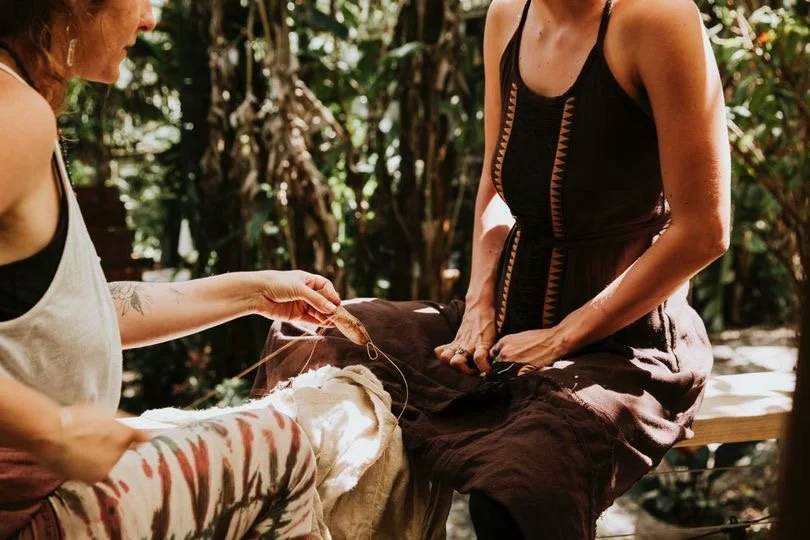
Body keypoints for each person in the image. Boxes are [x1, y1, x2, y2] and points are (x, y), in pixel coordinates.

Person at [253, 0, 731, 537]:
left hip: (626, 348)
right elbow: (497, 183)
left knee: (519, 487)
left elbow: (704, 230)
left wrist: (559, 338)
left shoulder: (658, 18)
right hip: (502, 324)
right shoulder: (508, 16)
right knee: (310, 338)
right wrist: (479, 306)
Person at [0, 1, 343, 538]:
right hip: (28, 509)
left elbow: (65, 314)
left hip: (40, 484)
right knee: (280, 446)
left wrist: (253, 292)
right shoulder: (13, 113)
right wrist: (55, 431)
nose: (150, 17)